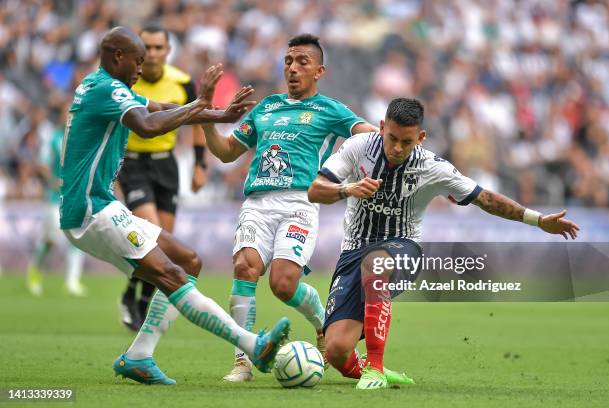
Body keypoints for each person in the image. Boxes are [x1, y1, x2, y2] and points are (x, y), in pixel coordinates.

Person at [59, 26, 290, 385]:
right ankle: (252, 345)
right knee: (172, 275)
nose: (142, 68)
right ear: (117, 57)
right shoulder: (108, 89)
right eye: (137, 61)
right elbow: (149, 125)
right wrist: (200, 105)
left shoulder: (100, 84)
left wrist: (219, 115)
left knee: (187, 260)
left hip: (98, 205)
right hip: (91, 211)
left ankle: (139, 356)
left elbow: (163, 108)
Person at [308, 98, 580, 390]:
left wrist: (538, 220)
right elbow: (315, 190)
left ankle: (374, 367)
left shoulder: (431, 166)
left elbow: (485, 198)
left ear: (421, 138)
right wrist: (347, 188)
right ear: (382, 127)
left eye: (407, 142)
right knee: (336, 350)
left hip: (402, 248)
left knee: (376, 263)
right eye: (392, 138)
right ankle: (374, 371)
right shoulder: (358, 147)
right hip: (352, 251)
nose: (398, 148)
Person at [202, 33, 377, 382]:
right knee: (244, 267)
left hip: (301, 202)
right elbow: (225, 152)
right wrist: (207, 113)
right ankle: (242, 361)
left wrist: (393, 146)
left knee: (283, 284)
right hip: (257, 202)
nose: (292, 68)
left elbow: (369, 135)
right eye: (288, 61)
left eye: (302, 62)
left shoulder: (329, 110)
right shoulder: (266, 107)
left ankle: (321, 326)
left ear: (319, 71)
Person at [117, 23, 209, 332]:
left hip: (166, 165)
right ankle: (132, 297)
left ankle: (139, 299)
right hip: (132, 164)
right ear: (139, 52)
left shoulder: (182, 82)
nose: (154, 54)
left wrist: (199, 164)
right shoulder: (126, 81)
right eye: (148, 48)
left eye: (159, 47)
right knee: (151, 231)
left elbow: (196, 122)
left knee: (163, 245)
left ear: (168, 51)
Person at [26, 105, 86, 297]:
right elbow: (42, 165)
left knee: (77, 239)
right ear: (60, 117)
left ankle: (72, 282)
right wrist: (53, 182)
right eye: (66, 115)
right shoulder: (52, 138)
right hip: (54, 197)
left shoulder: (80, 138)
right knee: (51, 239)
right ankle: (35, 271)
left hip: (74, 197)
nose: (69, 119)